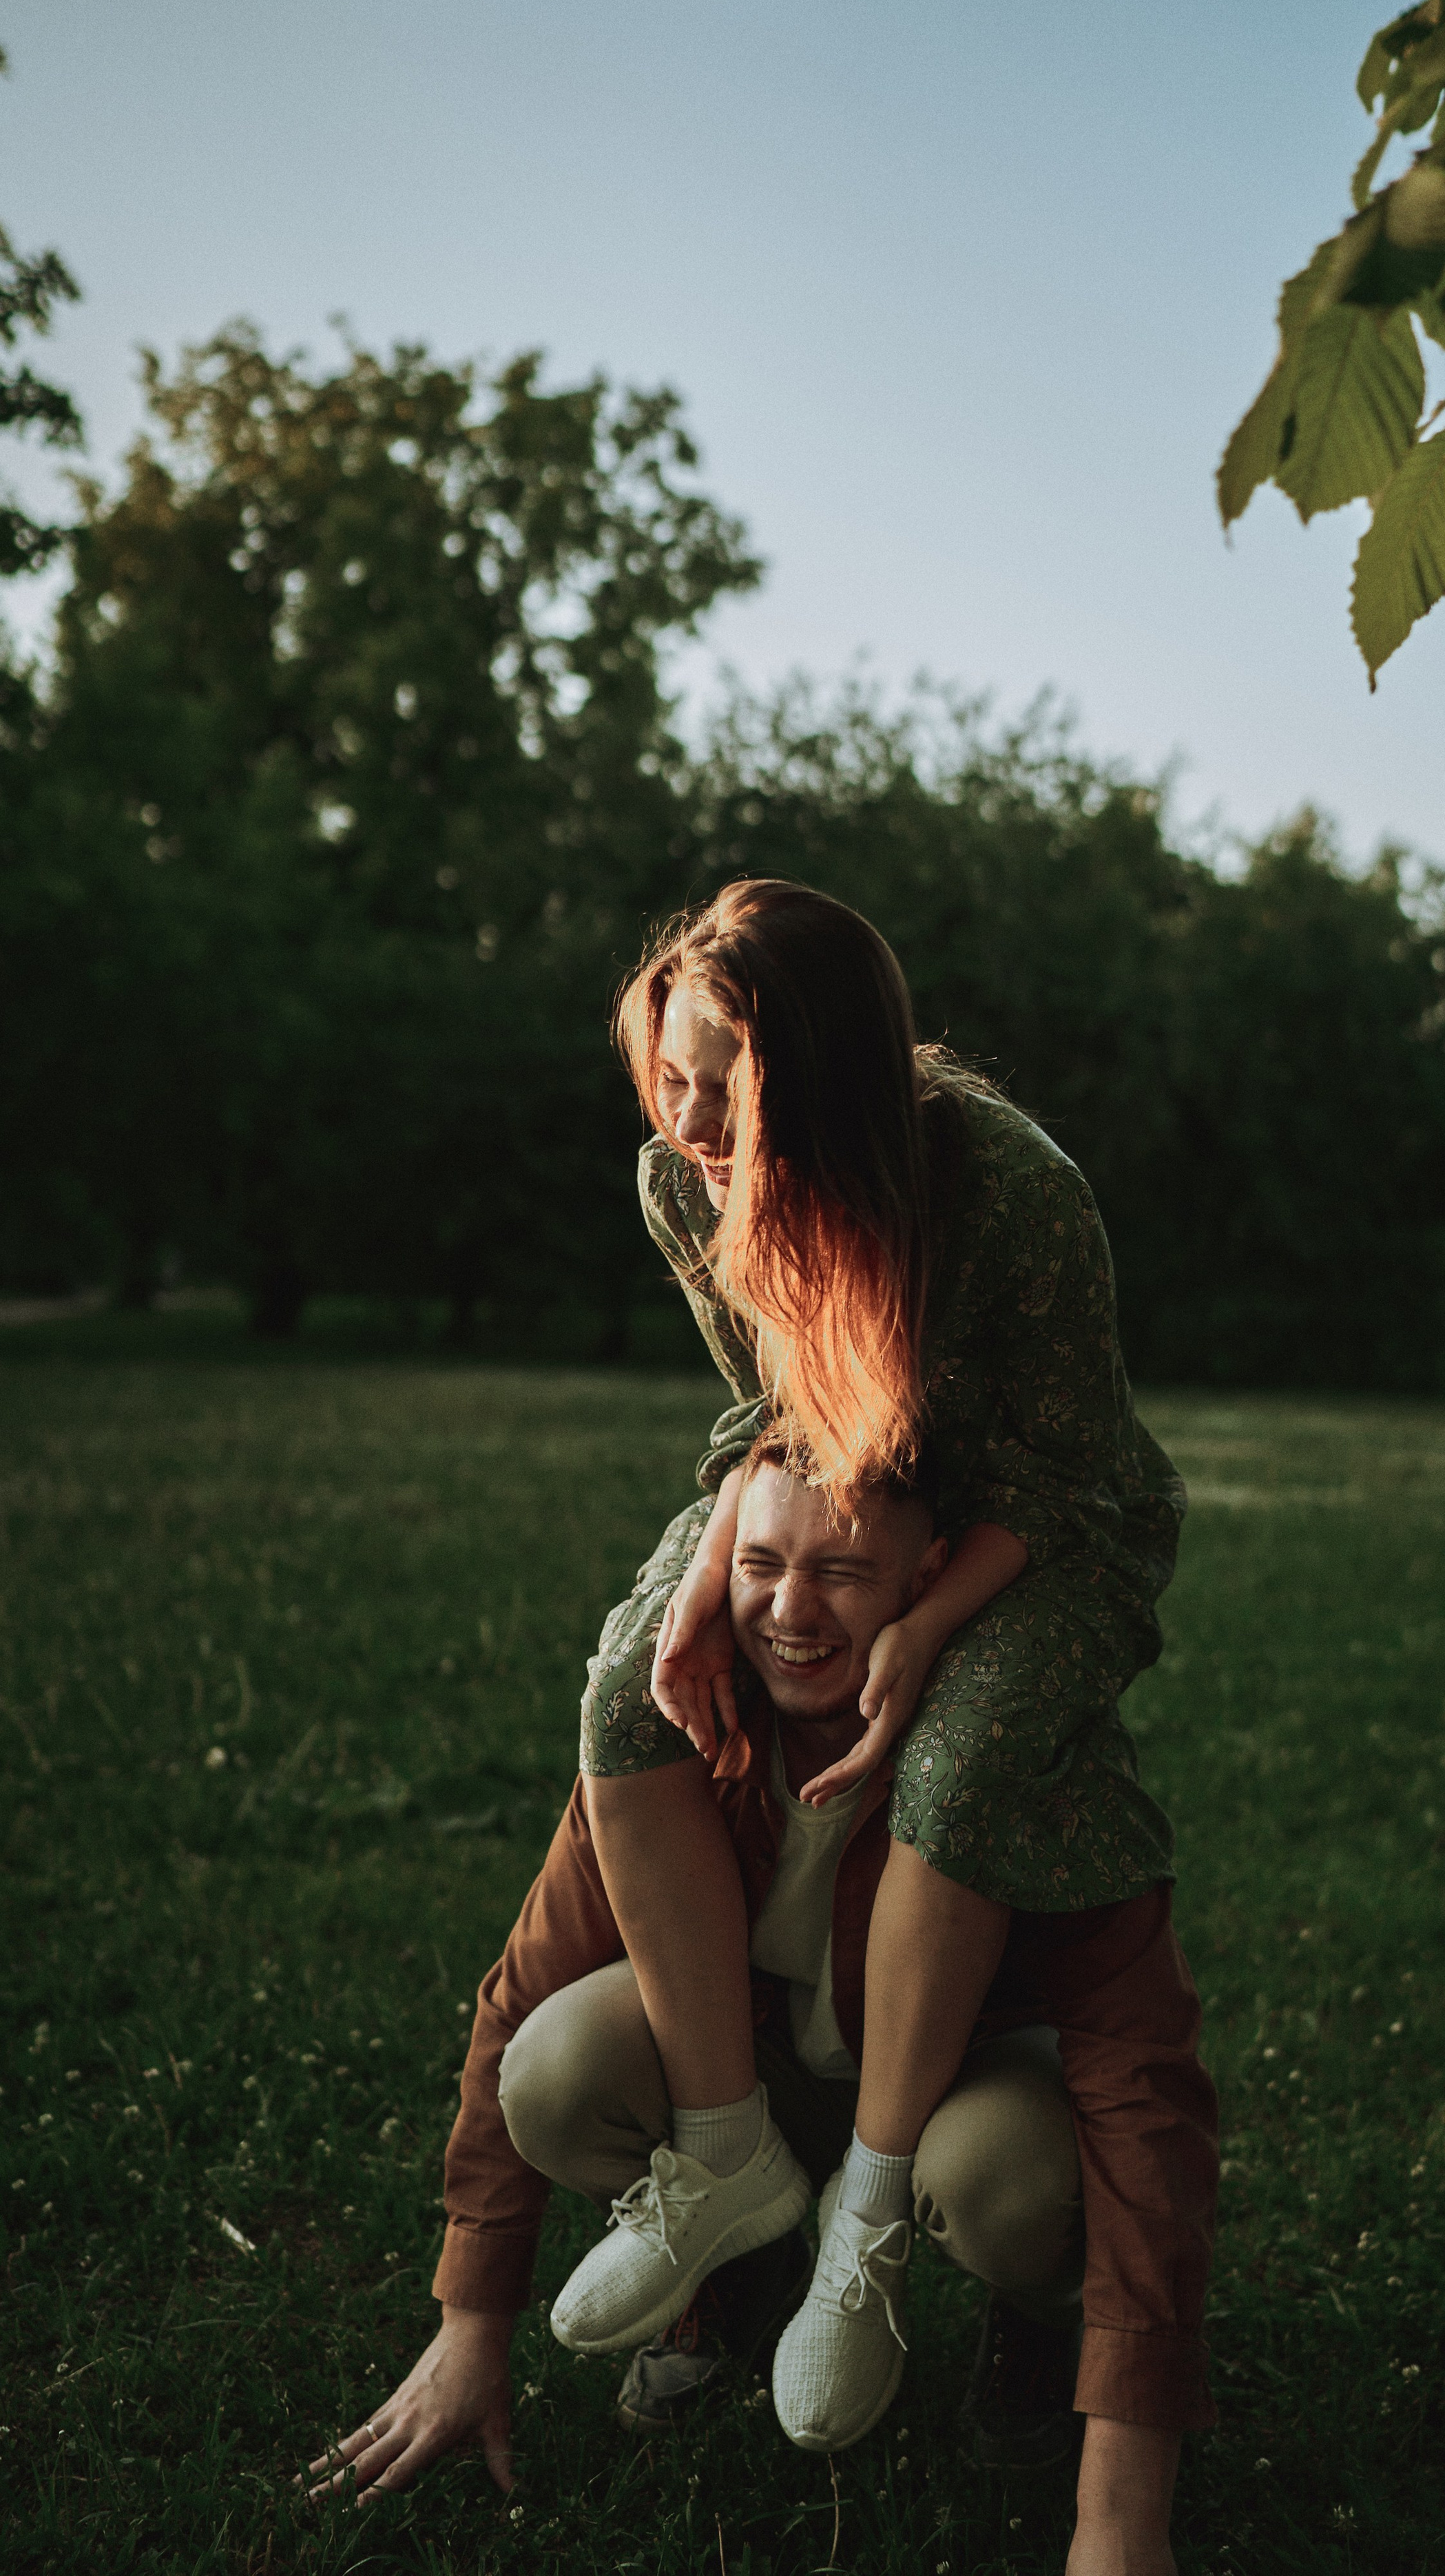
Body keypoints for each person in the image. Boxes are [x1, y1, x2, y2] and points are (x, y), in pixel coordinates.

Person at [306, 1441, 1218, 2576]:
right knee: (555, 2068)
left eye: (841, 1570)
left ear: (928, 1578)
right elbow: (521, 1989)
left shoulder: (1010, 1756)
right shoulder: (679, 1735)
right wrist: (470, 2322)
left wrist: (1121, 2518)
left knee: (1005, 2182)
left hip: (957, 2105)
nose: (791, 1609)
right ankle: (740, 2263)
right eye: (761, 1562)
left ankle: (1036, 2324)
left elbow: (1144, 2088)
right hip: (755, 2079)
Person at [569, 879, 1194, 2454]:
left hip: (1047, 1531)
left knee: (958, 1762)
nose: (685, 1112)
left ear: (824, 1089)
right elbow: (768, 1425)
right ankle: (721, 2149)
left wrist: (920, 1628)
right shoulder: (682, 1182)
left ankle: (869, 2203)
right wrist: (717, 1573)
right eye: (669, 1067)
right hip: (843, 1500)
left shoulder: (1007, 1189)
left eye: (724, 1081)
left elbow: (1068, 1484)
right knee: (623, 1693)